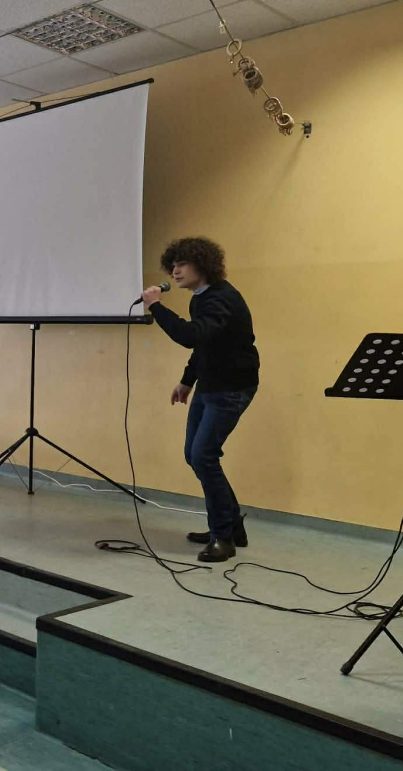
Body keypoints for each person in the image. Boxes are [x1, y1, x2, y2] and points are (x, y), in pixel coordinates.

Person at [142, 237, 259, 563]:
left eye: (182, 264)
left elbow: (190, 335)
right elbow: (203, 345)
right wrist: (187, 380)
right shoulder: (202, 297)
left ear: (202, 265)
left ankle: (223, 538)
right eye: (173, 266)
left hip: (232, 387)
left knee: (203, 456)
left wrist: (155, 307)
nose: (175, 272)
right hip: (210, 385)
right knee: (195, 456)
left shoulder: (222, 299)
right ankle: (232, 526)